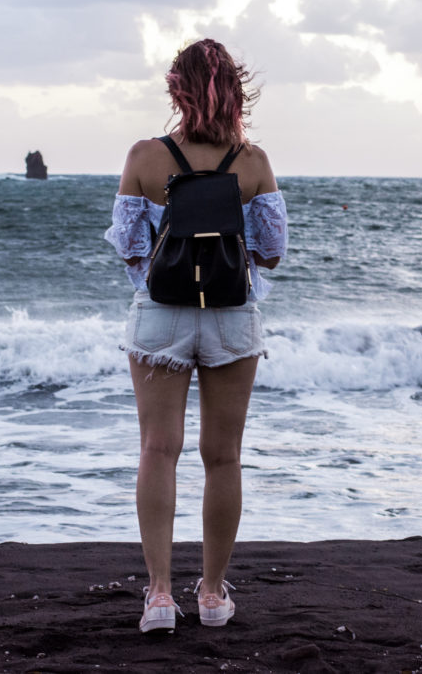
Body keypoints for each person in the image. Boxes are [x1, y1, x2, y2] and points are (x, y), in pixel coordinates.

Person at [104, 38, 288, 632]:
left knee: (159, 450)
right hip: (234, 315)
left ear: (176, 89)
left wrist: (164, 273)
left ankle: (160, 596)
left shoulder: (144, 156)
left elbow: (129, 247)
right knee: (223, 456)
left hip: (162, 312)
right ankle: (211, 594)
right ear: (234, 88)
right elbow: (274, 252)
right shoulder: (253, 161)